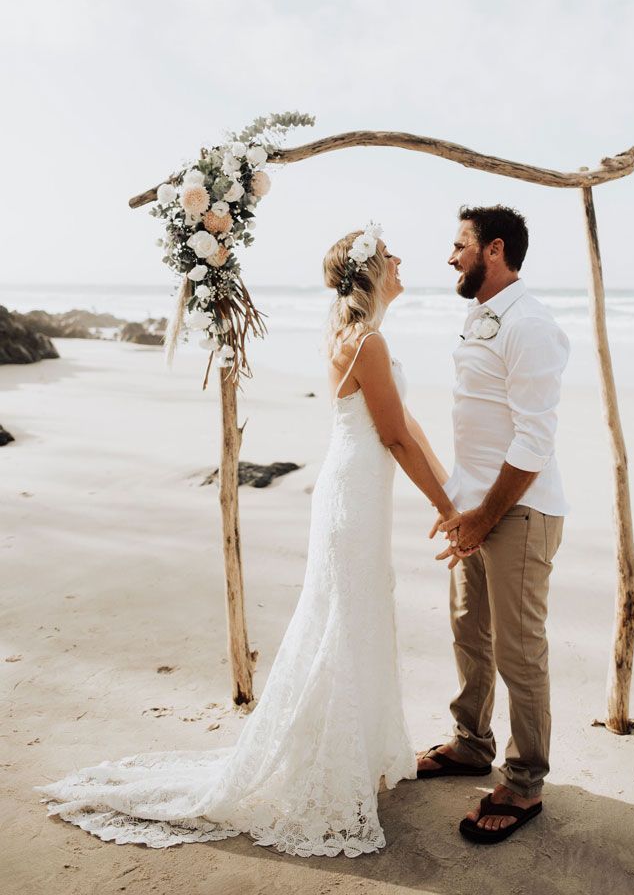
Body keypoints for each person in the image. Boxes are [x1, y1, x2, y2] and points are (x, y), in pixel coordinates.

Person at [35, 221, 454, 858]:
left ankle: (356, 749)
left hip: (359, 495)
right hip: (353, 501)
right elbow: (394, 436)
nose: (401, 261)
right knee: (344, 619)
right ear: (369, 271)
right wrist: (449, 508)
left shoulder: (366, 337)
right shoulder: (365, 342)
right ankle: (330, 761)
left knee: (358, 615)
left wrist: (449, 490)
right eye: (390, 255)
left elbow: (406, 425)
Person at [419, 205, 570, 845]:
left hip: (520, 512)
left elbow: (535, 441)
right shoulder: (479, 315)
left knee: (518, 650)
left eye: (460, 246)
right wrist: (460, 506)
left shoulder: (532, 325)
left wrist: (484, 516)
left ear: (495, 250)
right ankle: (471, 743)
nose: (451, 257)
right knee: (468, 634)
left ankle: (526, 782)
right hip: (475, 508)